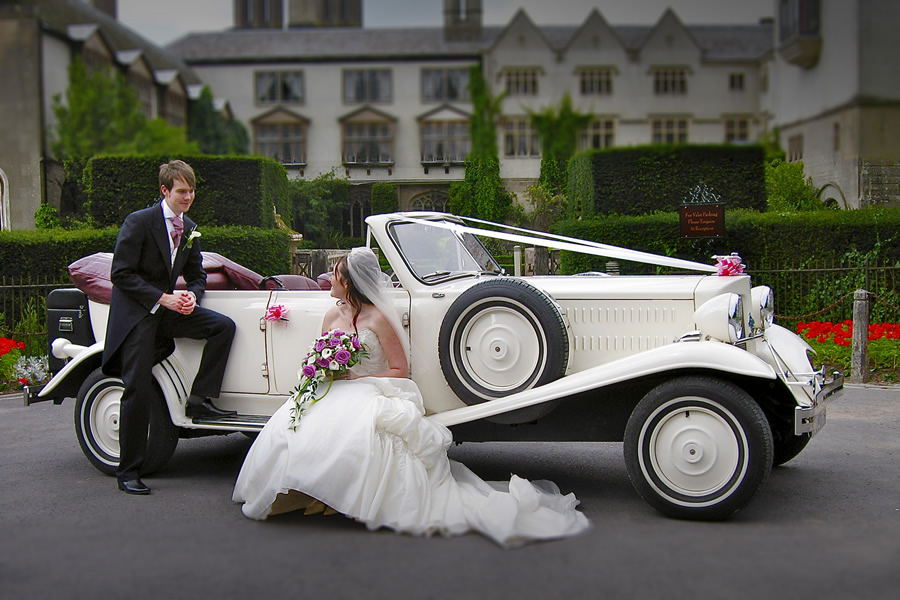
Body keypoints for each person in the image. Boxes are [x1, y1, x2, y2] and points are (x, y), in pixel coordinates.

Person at [233, 247, 589, 547]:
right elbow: (317, 352)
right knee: (299, 424)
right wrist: (320, 369)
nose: (330, 277)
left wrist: (358, 376)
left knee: (358, 428)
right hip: (333, 387)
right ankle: (307, 493)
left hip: (370, 386)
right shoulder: (330, 315)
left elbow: (399, 370)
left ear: (350, 282)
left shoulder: (377, 319)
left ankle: (339, 497)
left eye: (337, 273)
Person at [102, 160, 236, 495]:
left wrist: (192, 294)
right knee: (137, 388)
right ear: (164, 191)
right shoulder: (139, 221)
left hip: (169, 309)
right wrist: (164, 298)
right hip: (138, 315)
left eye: (191, 191)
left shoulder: (189, 226)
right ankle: (128, 471)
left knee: (223, 327)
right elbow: (121, 274)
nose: (188, 196)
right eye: (181, 191)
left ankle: (199, 399)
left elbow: (198, 275)